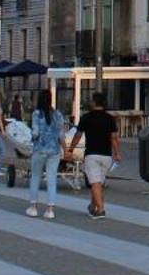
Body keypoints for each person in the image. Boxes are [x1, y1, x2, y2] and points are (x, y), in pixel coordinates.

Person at [72, 98, 120, 219]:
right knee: (97, 183)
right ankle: (93, 206)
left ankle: (101, 209)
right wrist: (117, 153)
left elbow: (78, 135)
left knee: (95, 183)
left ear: (94, 103)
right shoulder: (110, 118)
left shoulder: (86, 117)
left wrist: (71, 148)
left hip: (92, 154)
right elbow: (114, 137)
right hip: (106, 156)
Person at [25, 90, 66, 219]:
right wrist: (65, 148)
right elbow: (61, 134)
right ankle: (50, 209)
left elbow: (35, 133)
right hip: (54, 151)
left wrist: (31, 137)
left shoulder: (37, 114)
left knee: (35, 177)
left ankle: (33, 207)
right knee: (52, 178)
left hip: (40, 150)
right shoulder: (57, 114)